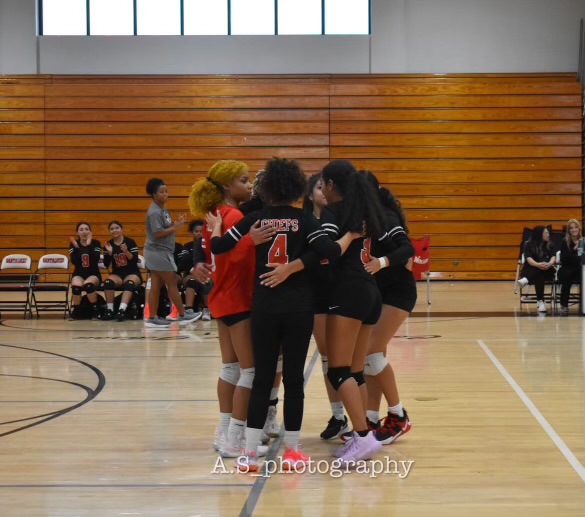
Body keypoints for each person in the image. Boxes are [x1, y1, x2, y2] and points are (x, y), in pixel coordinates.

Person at [207, 157, 359, 472]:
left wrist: (219, 229)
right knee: (292, 379)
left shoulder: (257, 220)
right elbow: (329, 253)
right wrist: (350, 237)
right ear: (295, 187)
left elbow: (220, 247)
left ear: (267, 188)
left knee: (262, 378)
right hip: (298, 308)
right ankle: (292, 452)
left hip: (263, 308)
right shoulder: (305, 220)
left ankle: (248, 455)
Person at [188, 160, 267, 458]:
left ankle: (223, 431)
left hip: (220, 298)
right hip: (237, 298)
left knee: (230, 368)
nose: (248, 186)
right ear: (226, 186)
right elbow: (233, 258)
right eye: (244, 181)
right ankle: (235, 438)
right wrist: (252, 241)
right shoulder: (232, 214)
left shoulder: (213, 214)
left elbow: (214, 255)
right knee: (250, 371)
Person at [361, 171, 415, 445]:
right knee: (372, 356)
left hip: (398, 291)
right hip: (378, 294)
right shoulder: (362, 221)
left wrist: (380, 263)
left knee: (370, 351)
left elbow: (407, 249)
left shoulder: (385, 218)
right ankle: (371, 418)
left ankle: (398, 415)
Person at [302, 173, 349, 440]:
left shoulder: (339, 219)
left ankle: (346, 416)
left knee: (336, 358)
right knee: (326, 358)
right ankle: (339, 415)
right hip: (312, 295)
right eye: (318, 188)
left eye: (325, 187)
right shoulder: (304, 221)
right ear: (310, 195)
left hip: (337, 293)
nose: (323, 192)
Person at [143, 178, 201, 328]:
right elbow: (157, 233)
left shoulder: (163, 209)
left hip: (159, 252)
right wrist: (176, 228)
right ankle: (182, 314)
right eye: (162, 192)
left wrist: (175, 223)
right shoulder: (154, 212)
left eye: (166, 191)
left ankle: (152, 317)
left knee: (156, 285)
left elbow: (166, 227)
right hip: (158, 252)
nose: (165, 194)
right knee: (172, 282)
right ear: (153, 194)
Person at [102, 220, 142, 322]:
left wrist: (126, 251)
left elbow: (134, 261)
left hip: (132, 272)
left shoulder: (130, 242)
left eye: (116, 228)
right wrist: (110, 254)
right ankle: (110, 310)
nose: (114, 230)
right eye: (111, 229)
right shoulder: (109, 244)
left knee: (129, 284)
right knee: (107, 283)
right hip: (117, 274)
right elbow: (106, 264)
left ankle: (121, 310)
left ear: (121, 229)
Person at [517, 226, 557, 313]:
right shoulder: (528, 244)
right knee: (539, 274)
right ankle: (540, 302)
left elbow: (554, 257)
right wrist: (538, 265)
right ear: (540, 235)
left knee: (541, 269)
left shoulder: (550, 244)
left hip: (548, 270)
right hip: (532, 268)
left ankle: (526, 280)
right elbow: (528, 259)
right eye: (546, 233)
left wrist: (549, 264)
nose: (548, 235)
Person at [69, 222, 102, 319]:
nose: (84, 232)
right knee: (75, 287)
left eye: (86, 229)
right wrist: (77, 248)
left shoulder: (96, 243)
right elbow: (74, 262)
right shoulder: (74, 244)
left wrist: (88, 245)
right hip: (79, 273)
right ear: (77, 233)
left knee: (88, 285)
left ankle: (95, 309)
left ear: (90, 232)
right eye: (81, 229)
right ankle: (77, 310)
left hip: (93, 274)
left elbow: (95, 259)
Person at [181, 219, 211, 321]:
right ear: (192, 233)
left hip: (205, 274)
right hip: (190, 273)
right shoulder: (187, 246)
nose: (199, 233)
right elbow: (184, 262)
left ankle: (206, 309)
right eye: (196, 231)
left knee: (206, 281)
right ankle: (189, 310)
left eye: (201, 231)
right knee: (192, 281)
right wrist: (193, 270)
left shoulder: (208, 245)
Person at [558, 219, 583, 316]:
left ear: (579, 229)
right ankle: (564, 305)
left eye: (576, 227)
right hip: (566, 268)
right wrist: (575, 248)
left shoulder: (583, 240)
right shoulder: (564, 242)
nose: (574, 229)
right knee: (567, 276)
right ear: (568, 230)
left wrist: (576, 256)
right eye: (571, 228)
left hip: (579, 268)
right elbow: (564, 259)